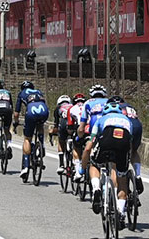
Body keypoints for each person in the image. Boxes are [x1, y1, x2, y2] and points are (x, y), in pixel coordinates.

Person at [81, 101, 132, 230]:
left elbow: (89, 146)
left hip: (107, 140)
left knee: (95, 165)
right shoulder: (127, 120)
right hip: (124, 143)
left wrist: (83, 166)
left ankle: (96, 188)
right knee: (122, 179)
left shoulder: (101, 119)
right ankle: (120, 212)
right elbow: (130, 143)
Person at [108, 95, 144, 193]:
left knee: (115, 157)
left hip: (124, 126)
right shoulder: (130, 106)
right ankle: (138, 175)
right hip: (137, 126)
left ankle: (115, 193)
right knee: (134, 151)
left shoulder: (112, 108)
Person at [13, 80, 49, 180]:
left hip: (31, 113)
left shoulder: (21, 94)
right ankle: (42, 146)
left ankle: (25, 166)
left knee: (27, 139)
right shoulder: (38, 92)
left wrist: (15, 122)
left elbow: (16, 113)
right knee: (40, 125)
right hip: (44, 111)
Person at [52, 94, 73, 174]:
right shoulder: (73, 106)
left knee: (61, 142)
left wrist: (54, 132)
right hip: (73, 125)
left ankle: (61, 165)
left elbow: (56, 124)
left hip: (63, 124)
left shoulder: (58, 108)